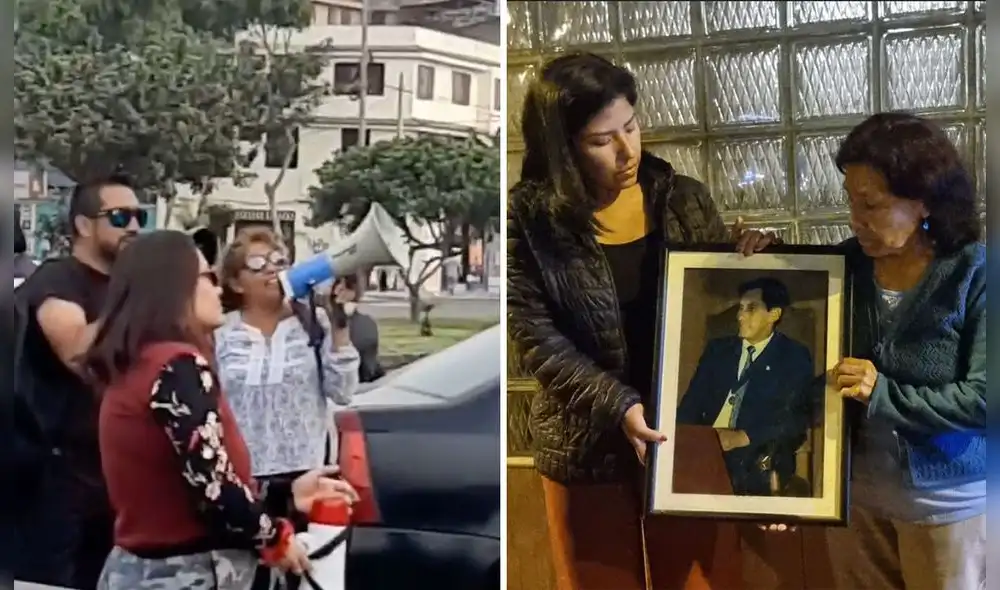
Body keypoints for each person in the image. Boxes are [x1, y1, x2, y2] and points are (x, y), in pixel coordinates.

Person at [506, 52, 777, 590]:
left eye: (631, 125)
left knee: (703, 581)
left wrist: (754, 258)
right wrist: (619, 404)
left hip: (688, 430)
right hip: (585, 443)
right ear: (563, 147)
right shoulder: (529, 218)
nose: (628, 150)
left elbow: (715, 304)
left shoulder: (682, 198)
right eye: (602, 140)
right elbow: (533, 335)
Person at [85, 230, 358, 589]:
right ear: (174, 286)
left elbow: (198, 476)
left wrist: (285, 493)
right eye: (206, 277)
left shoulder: (140, 363)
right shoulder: (177, 366)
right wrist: (275, 536)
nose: (217, 290)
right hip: (183, 575)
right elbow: (214, 489)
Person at [825, 113, 985, 589]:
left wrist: (883, 394)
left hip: (947, 508)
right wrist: (761, 256)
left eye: (871, 205)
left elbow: (982, 398)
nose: (856, 220)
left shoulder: (974, 273)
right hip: (856, 504)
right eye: (851, 202)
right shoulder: (846, 265)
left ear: (922, 203)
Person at [12, 174, 146, 589]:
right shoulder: (58, 279)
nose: (135, 228)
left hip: (115, 478)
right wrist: (133, 301)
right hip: (56, 479)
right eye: (120, 217)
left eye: (140, 217)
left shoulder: (128, 288)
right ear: (84, 225)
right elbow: (77, 352)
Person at [214, 227, 360, 590]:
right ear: (235, 281)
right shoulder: (220, 333)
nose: (272, 270)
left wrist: (339, 324)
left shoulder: (313, 323)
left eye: (279, 261)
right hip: (242, 488)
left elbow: (342, 392)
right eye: (258, 264)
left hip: (306, 483)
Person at [676, 277, 815, 497]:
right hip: (705, 451)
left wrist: (742, 436)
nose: (740, 316)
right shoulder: (718, 350)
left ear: (774, 314)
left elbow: (795, 421)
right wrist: (686, 440)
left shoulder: (794, 356)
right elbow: (690, 406)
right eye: (740, 308)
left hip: (758, 460)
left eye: (751, 309)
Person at [332, 275, 386, 383]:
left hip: (353, 382)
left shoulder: (337, 325)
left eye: (342, 289)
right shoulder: (368, 321)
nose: (335, 292)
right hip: (368, 379)